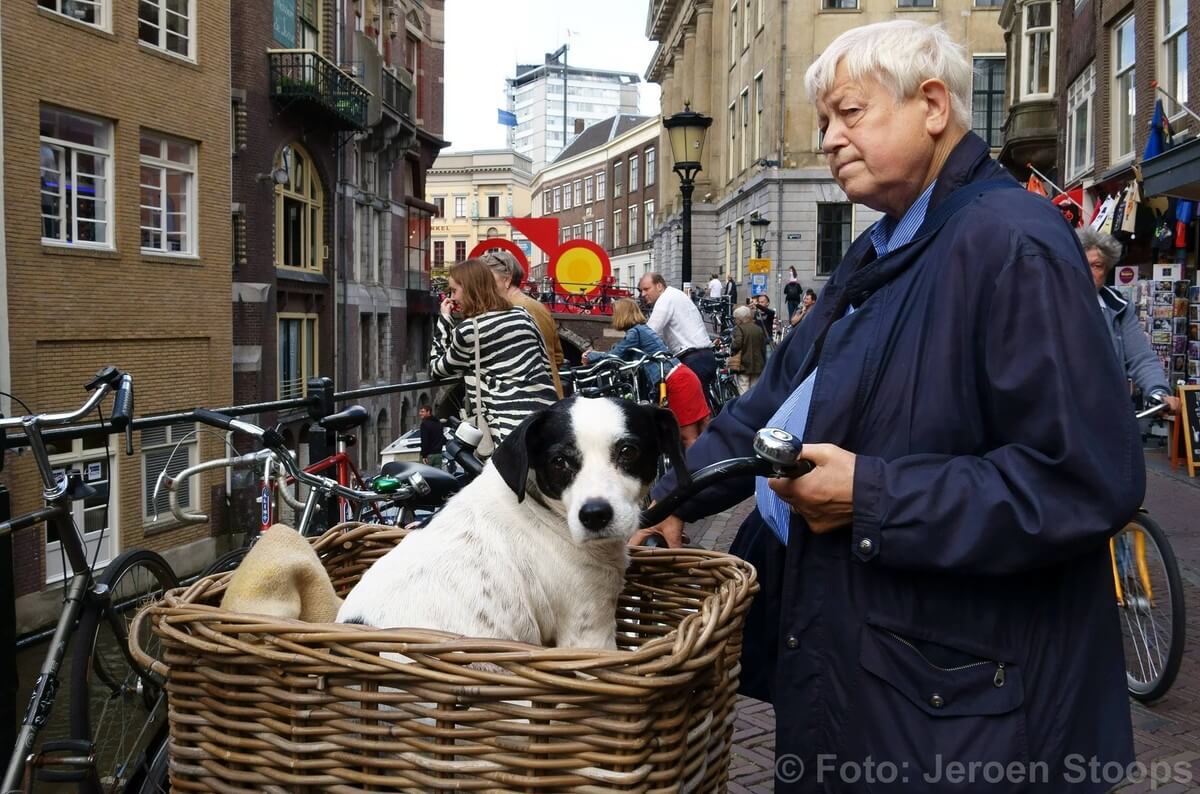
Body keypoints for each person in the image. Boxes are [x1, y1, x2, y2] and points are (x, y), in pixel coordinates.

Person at [636, 20, 1142, 793]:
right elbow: (769, 409)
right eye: (824, 122)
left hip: (969, 714)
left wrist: (871, 497)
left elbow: (1083, 482)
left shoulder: (1014, 244)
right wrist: (673, 500)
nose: (831, 139)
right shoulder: (880, 251)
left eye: (850, 113)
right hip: (885, 678)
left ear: (933, 104)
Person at [430, 259, 557, 445]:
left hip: (510, 431)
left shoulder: (470, 330)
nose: (452, 298)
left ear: (470, 289)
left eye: (454, 291)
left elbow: (437, 369)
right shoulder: (523, 315)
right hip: (547, 418)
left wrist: (444, 320)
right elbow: (545, 364)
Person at [582, 299, 710, 447]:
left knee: (687, 437)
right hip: (684, 375)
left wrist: (590, 356)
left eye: (615, 314)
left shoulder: (635, 332)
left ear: (622, 315)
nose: (613, 318)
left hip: (676, 380)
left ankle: (694, 470)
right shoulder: (642, 329)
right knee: (702, 432)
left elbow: (615, 356)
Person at [1080, 227, 1181, 414]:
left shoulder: (1117, 306)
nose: (1089, 272)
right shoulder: (1055, 302)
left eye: (1097, 265)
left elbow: (1140, 357)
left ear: (1107, 269)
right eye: (1083, 264)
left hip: (1108, 410)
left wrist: (1158, 391)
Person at [483, 249, 565, 398]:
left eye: (486, 278)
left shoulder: (517, 309)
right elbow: (557, 357)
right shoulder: (533, 305)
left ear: (506, 279)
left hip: (533, 399)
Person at [637, 273, 718, 395]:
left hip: (692, 359)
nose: (643, 294)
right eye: (641, 290)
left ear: (659, 286)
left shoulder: (665, 299)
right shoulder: (676, 294)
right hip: (704, 355)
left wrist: (629, 346)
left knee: (691, 408)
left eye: (646, 289)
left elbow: (650, 332)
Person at [730, 305, 766, 394]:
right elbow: (763, 345)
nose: (735, 321)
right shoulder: (758, 328)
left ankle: (744, 406)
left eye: (736, 318)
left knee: (743, 387)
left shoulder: (739, 329)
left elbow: (737, 344)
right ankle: (754, 406)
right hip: (758, 363)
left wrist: (732, 345)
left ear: (740, 319)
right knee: (754, 389)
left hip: (743, 363)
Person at [417, 404, 445, 468]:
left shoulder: (424, 424)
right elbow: (442, 438)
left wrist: (424, 455)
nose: (420, 413)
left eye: (422, 412)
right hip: (438, 455)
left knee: (426, 475)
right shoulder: (439, 423)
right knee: (437, 475)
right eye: (420, 411)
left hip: (429, 455)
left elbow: (424, 441)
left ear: (428, 412)